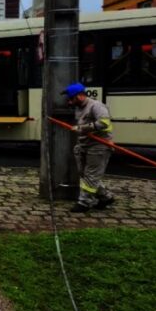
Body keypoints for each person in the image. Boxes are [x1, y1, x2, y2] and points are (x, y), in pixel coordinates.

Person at [61, 82, 116, 213]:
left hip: (99, 145)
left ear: (79, 96)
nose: (69, 102)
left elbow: (104, 123)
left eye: (70, 99)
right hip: (84, 144)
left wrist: (82, 128)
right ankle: (105, 197)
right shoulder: (79, 108)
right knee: (84, 174)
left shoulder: (96, 106)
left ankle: (84, 202)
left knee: (91, 175)